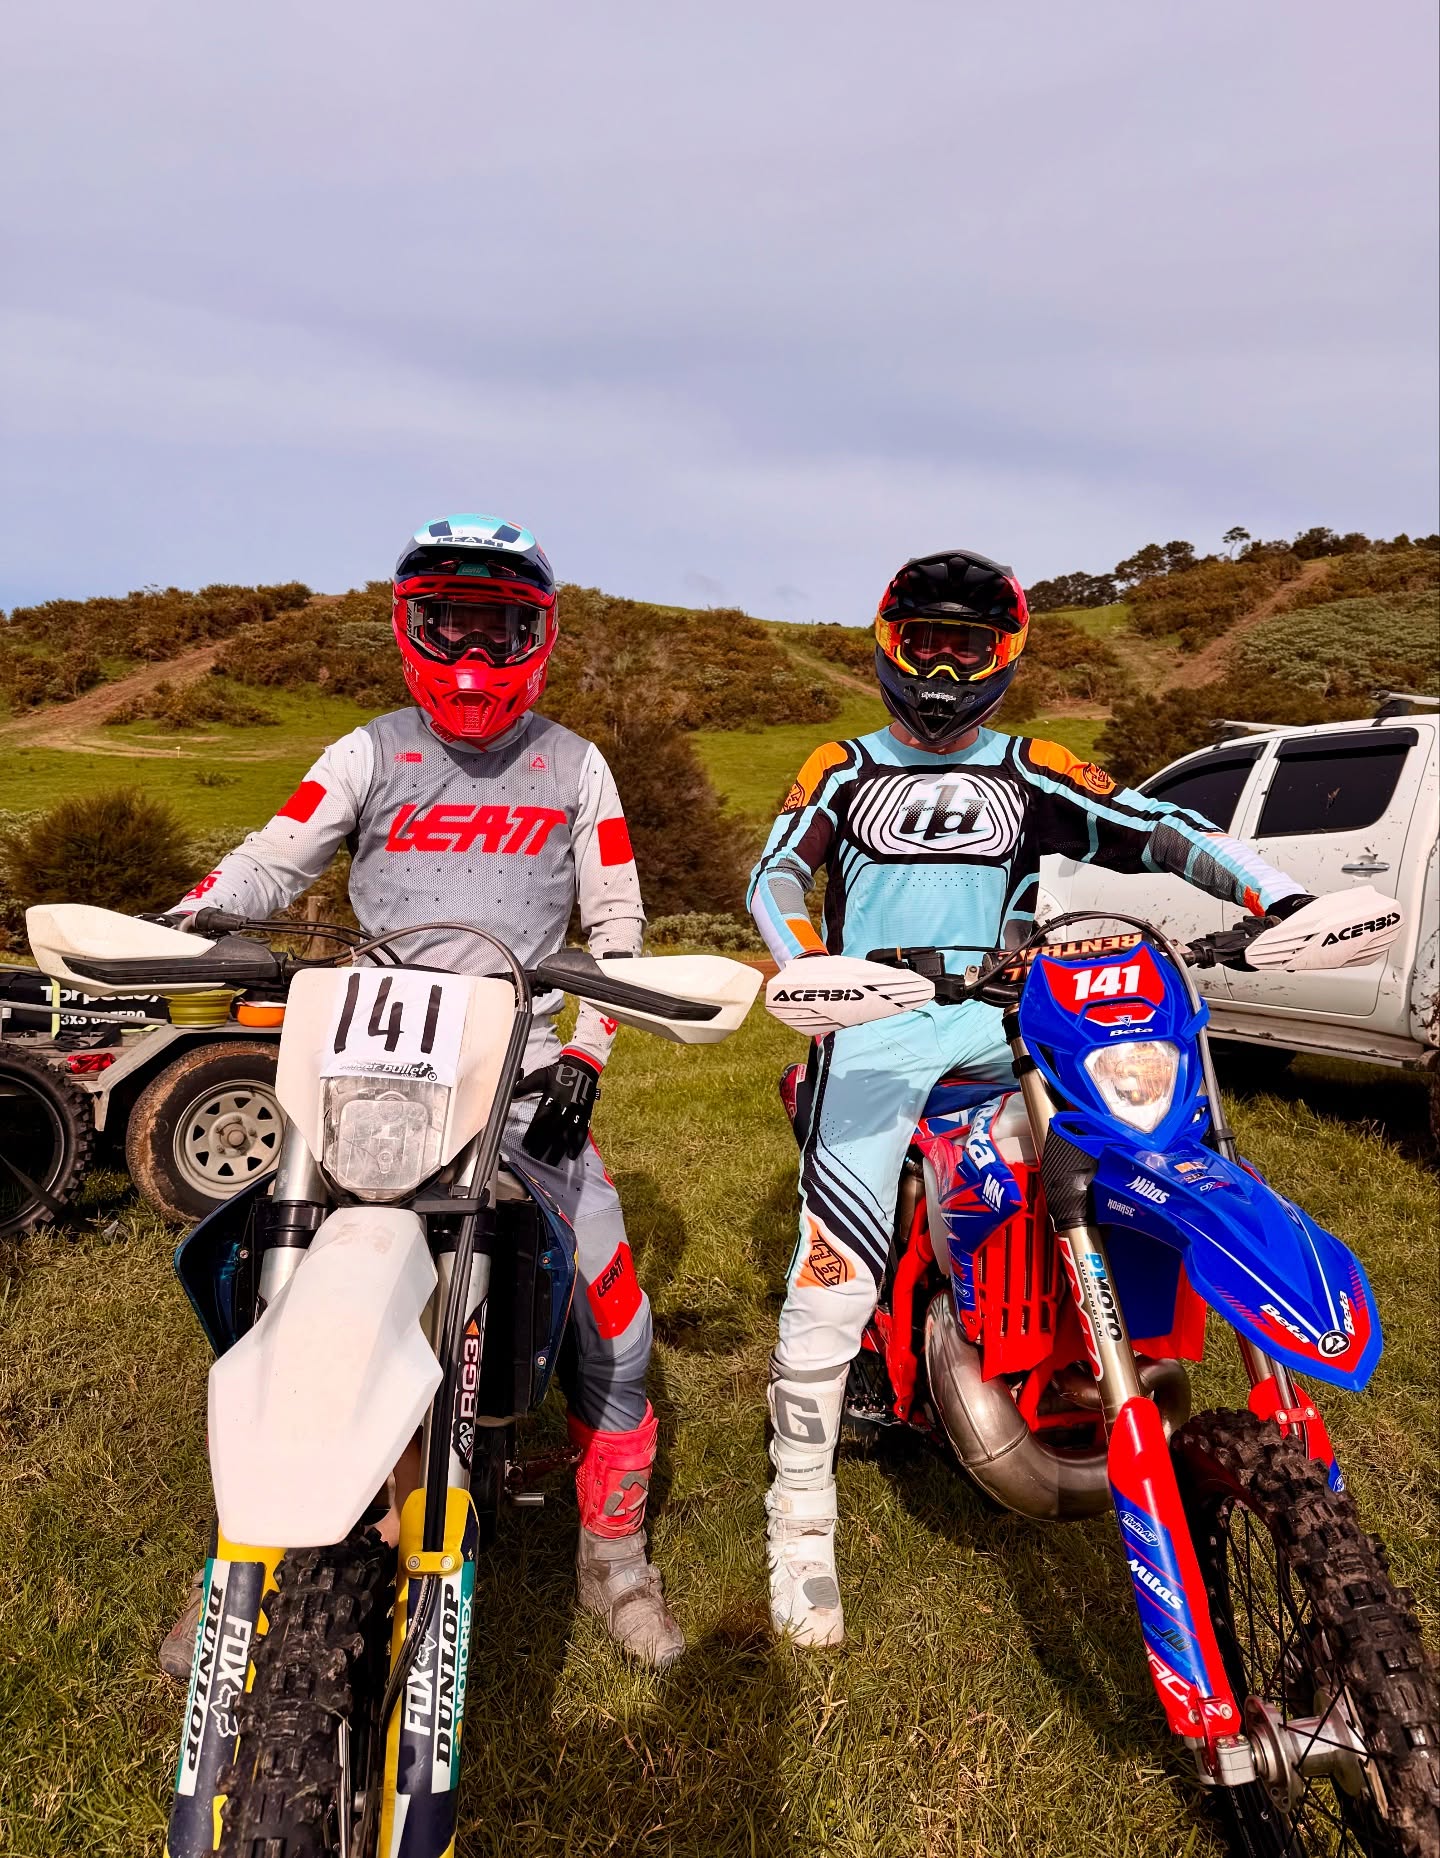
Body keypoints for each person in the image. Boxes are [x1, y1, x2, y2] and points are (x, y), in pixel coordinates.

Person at [747, 547, 1319, 1647]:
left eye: (970, 644)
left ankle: (1086, 1384)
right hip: (866, 1032)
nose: (947, 663)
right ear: (890, 642)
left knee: (1107, 1187)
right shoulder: (841, 763)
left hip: (1014, 1032)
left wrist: (1274, 892)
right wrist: (809, 962)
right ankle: (800, 1517)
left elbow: (1156, 825)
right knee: (831, 1276)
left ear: (1003, 656)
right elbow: (774, 873)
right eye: (929, 641)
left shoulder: (1032, 764)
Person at [160, 513, 683, 1676]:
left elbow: (620, 930)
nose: (474, 654)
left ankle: (613, 1555)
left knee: (619, 1320)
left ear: (538, 636)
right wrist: (200, 908)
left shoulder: (577, 763)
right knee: (264, 1285)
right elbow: (274, 852)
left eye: (501, 627)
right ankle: (233, 1562)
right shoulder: (368, 751)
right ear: (410, 624)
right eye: (450, 620)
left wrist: (587, 1059)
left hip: (525, 1072)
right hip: (370, 1070)